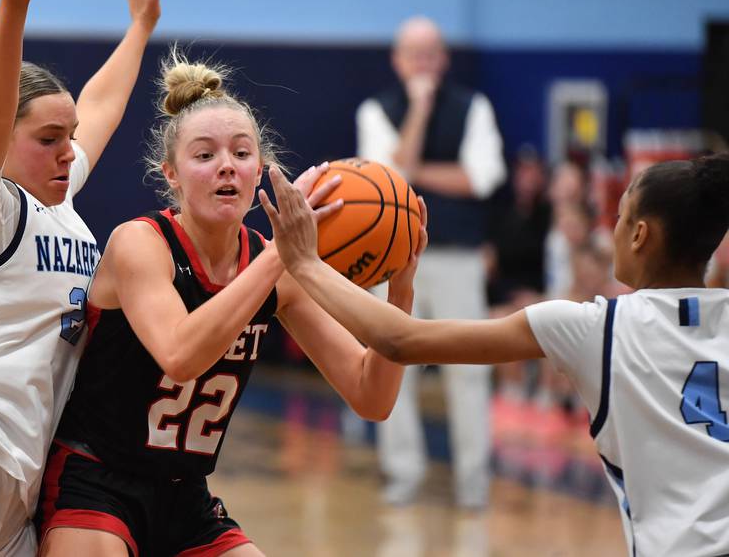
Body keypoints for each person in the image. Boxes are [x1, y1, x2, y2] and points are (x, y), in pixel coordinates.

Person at [35, 52, 426, 557]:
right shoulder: (141, 243)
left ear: (258, 170)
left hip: (185, 497)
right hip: (96, 479)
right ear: (171, 175)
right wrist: (282, 254)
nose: (226, 165)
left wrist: (400, 290)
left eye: (241, 153)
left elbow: (372, 396)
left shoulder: (272, 266)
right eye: (204, 155)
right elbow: (180, 355)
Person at [262, 152, 729, 557]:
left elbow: (400, 342)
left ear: (640, 235)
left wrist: (304, 261)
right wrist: (400, 286)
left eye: (621, 216)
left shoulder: (597, 327)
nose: (614, 227)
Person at [0, 0, 164, 556]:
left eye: (70, 137)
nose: (68, 152)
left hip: (27, 469)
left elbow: (102, 103)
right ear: (3, 139)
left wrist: (140, 27)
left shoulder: (60, 201)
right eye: (48, 139)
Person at [355, 15, 506, 508]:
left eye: (431, 53)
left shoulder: (474, 106)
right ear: (398, 61)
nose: (422, 63)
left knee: (470, 372)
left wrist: (414, 170)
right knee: (391, 366)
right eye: (413, 54)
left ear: (443, 59)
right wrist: (418, 113)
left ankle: (473, 484)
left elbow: (482, 178)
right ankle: (403, 474)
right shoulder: (375, 110)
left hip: (458, 257)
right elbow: (387, 178)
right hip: (394, 260)